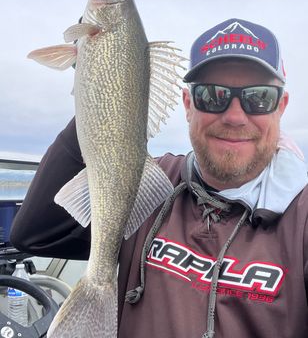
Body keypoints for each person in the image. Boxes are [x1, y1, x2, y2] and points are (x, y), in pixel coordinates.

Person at [10, 18, 308, 338]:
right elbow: (36, 235)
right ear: (188, 105)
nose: (235, 116)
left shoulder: (301, 220)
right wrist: (101, 99)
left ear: (281, 107)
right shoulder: (150, 180)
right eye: (212, 95)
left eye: (259, 97)